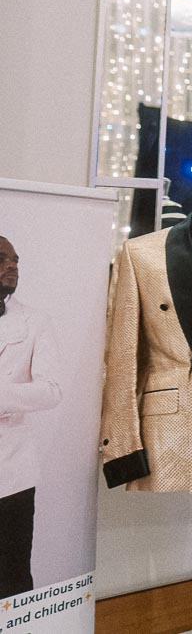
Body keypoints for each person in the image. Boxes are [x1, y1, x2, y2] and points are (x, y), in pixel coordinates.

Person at [0, 235, 61, 599]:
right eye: (2, 258)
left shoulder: (35, 321)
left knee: (12, 575)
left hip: (12, 469)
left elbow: (52, 389)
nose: (12, 265)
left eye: (16, 260)